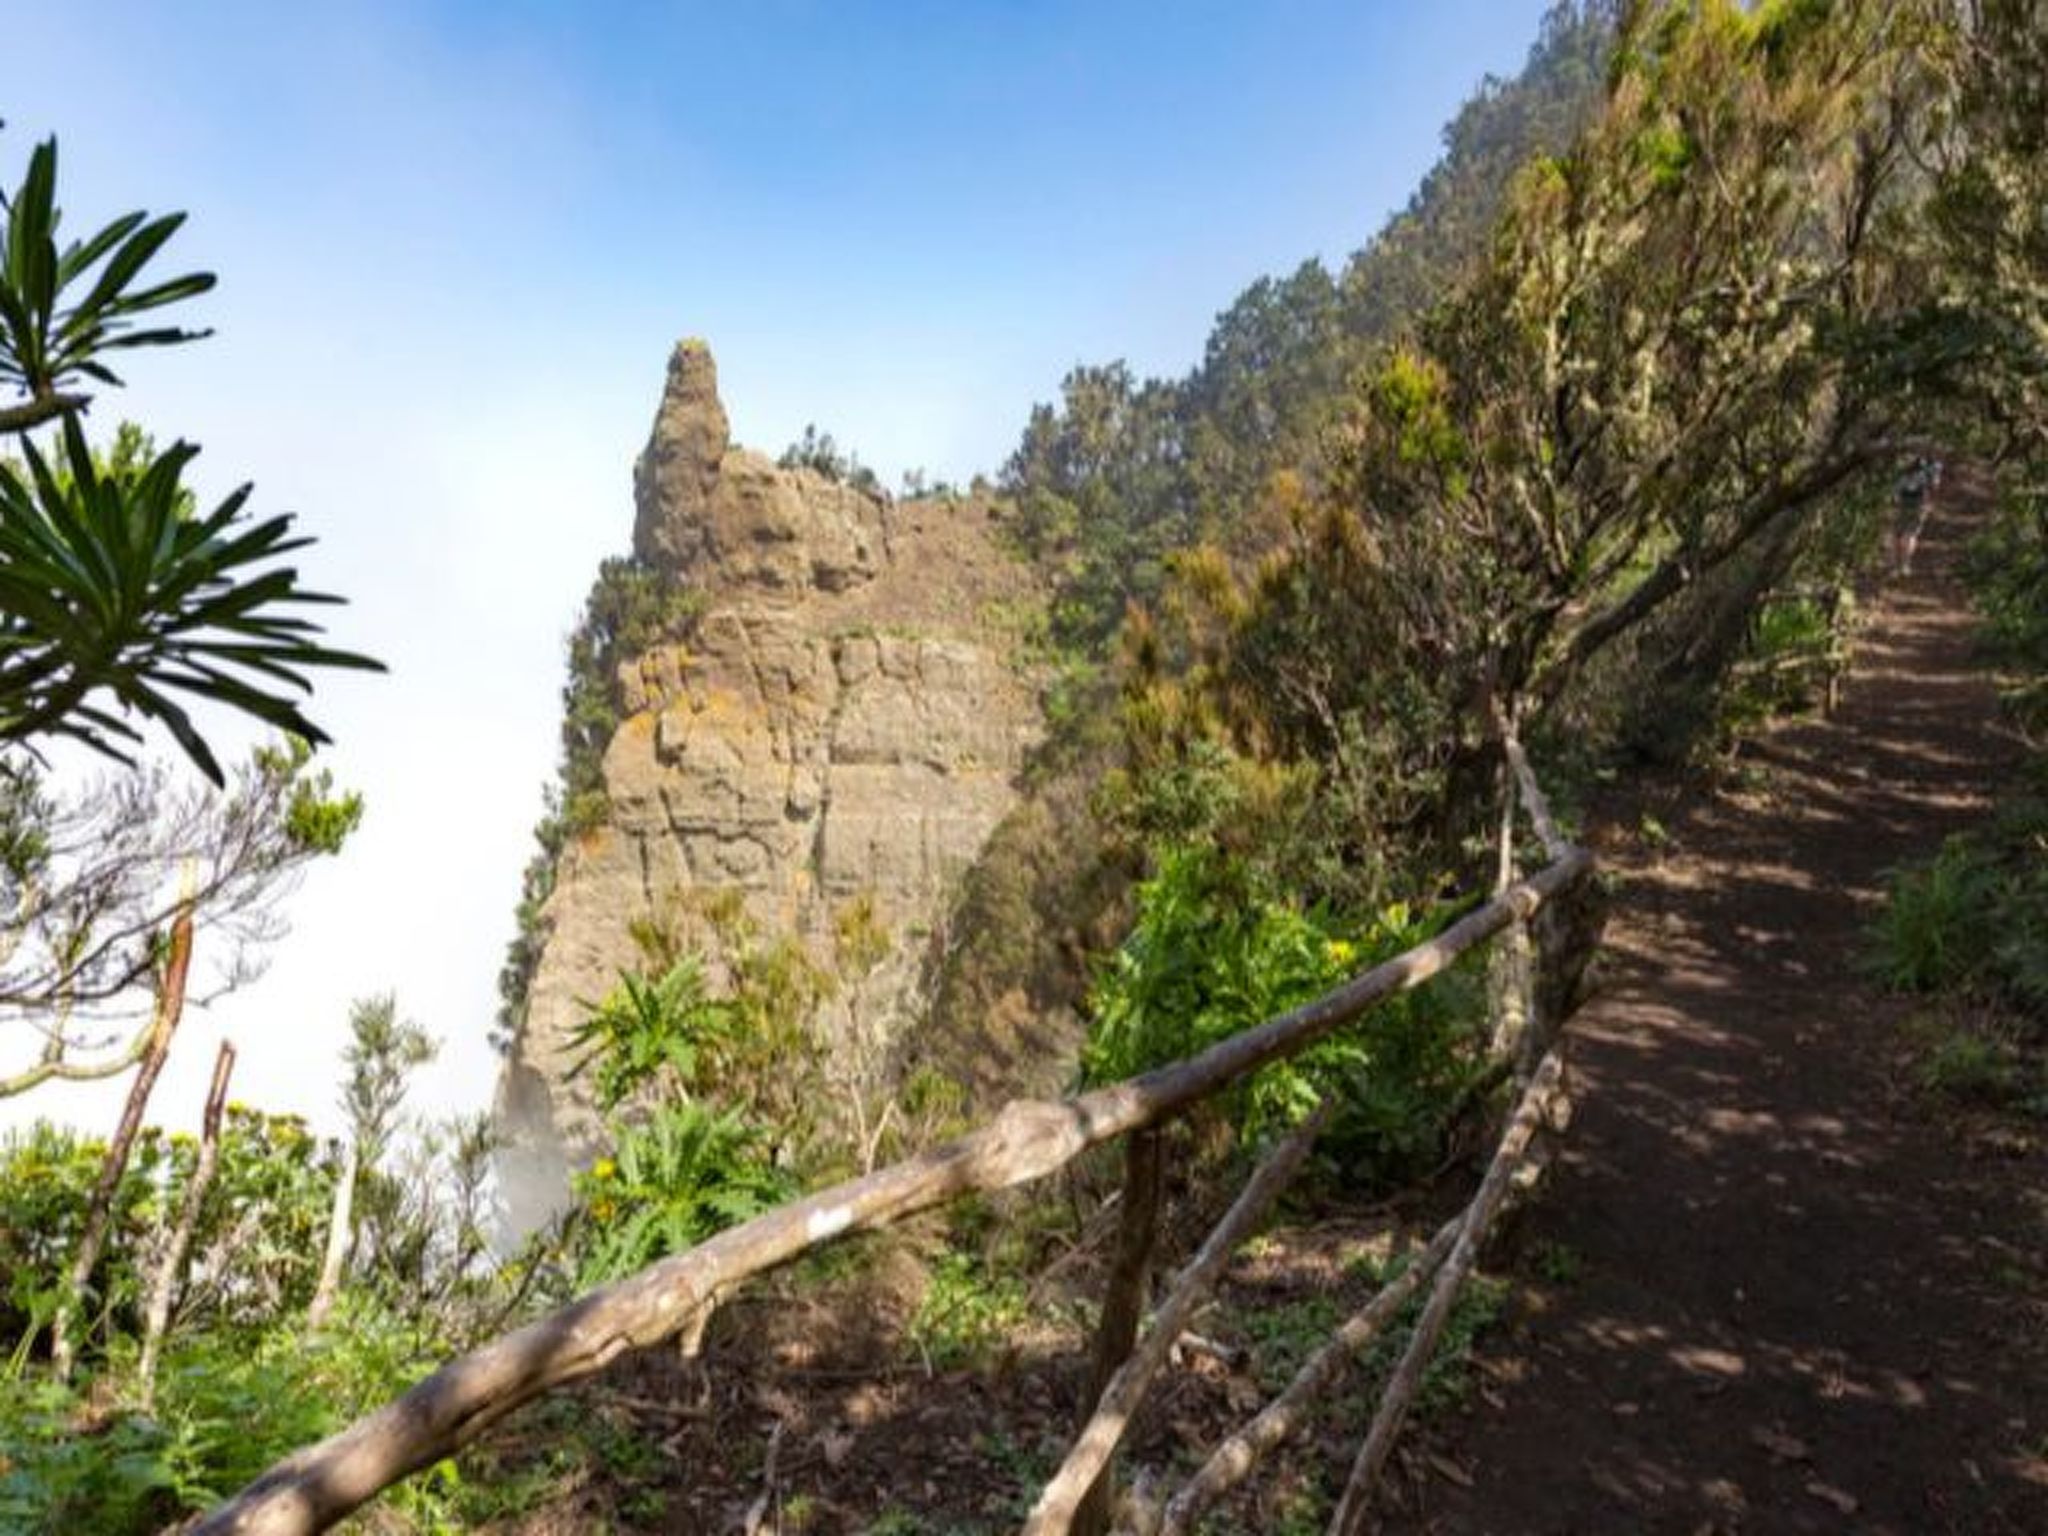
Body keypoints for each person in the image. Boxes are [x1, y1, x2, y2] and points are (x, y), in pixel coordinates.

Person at [1891, 455, 1935, 577]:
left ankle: (1899, 565)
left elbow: (1895, 495)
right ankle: (1903, 565)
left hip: (1907, 509)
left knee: (1902, 537)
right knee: (1905, 537)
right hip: (1912, 509)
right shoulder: (1922, 476)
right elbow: (1927, 494)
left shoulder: (1903, 477)